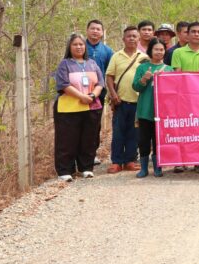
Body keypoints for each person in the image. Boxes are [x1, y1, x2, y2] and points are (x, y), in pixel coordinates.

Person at [53, 34, 104, 182]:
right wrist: (81, 97)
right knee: (67, 140)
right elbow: (63, 84)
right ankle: (65, 170)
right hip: (69, 109)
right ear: (70, 46)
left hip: (91, 107)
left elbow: (100, 82)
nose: (79, 47)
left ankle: (86, 168)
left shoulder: (92, 63)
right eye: (75, 44)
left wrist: (93, 96)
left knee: (89, 139)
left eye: (81, 44)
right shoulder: (65, 64)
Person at [170, 21, 199, 174]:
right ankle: (180, 161)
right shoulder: (178, 53)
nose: (196, 34)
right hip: (183, 99)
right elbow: (177, 75)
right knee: (182, 129)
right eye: (193, 32)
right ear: (187, 35)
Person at [105, 26, 147, 173]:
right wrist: (112, 94)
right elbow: (109, 76)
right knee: (118, 132)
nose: (131, 38)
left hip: (138, 101)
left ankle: (130, 160)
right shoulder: (116, 56)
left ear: (139, 39)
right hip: (120, 101)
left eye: (134, 36)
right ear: (123, 39)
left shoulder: (144, 57)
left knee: (134, 133)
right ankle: (116, 162)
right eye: (128, 36)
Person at [132, 38, 174, 178]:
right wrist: (144, 78)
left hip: (162, 112)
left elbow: (174, 92)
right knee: (143, 140)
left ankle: (158, 167)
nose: (158, 52)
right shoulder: (142, 68)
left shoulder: (169, 69)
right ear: (150, 50)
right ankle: (143, 168)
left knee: (158, 141)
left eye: (161, 49)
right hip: (145, 110)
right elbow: (135, 87)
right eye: (156, 49)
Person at [84, 19, 113, 165]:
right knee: (78, 123)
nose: (95, 31)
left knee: (94, 123)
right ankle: (78, 155)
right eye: (92, 28)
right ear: (87, 30)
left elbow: (111, 73)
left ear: (102, 33)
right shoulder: (79, 46)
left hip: (98, 93)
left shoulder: (107, 51)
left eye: (98, 29)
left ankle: (91, 154)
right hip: (78, 93)